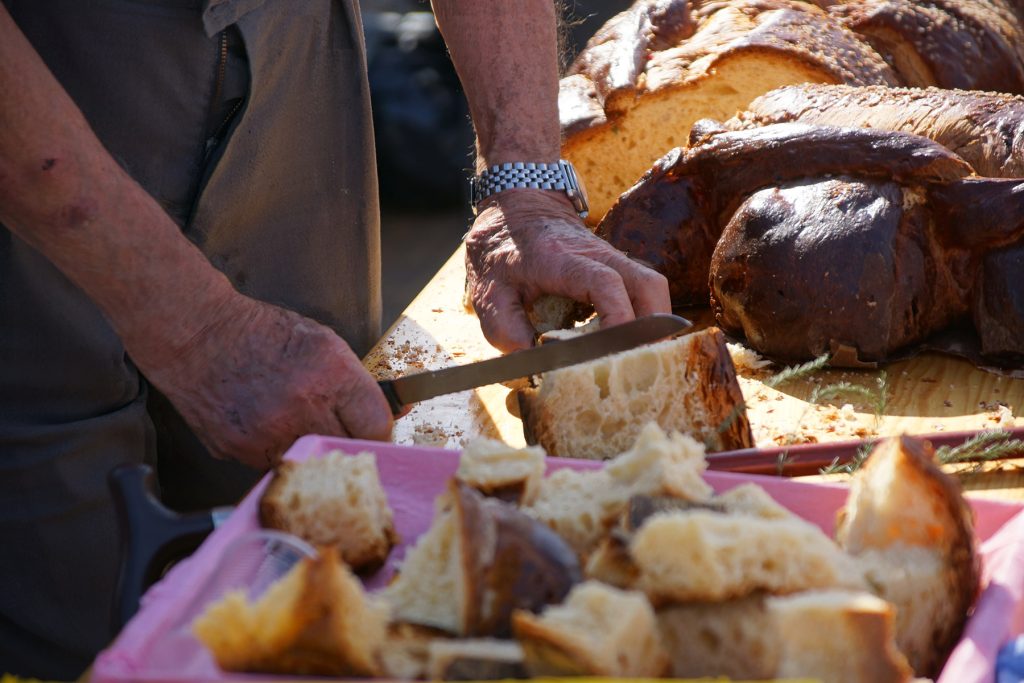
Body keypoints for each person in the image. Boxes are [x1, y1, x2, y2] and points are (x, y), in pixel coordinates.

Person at [0, 0, 670, 678]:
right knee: (83, 608)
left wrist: (524, 185)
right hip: (36, 123)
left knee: (336, 580)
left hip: (295, 55)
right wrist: (192, 326)